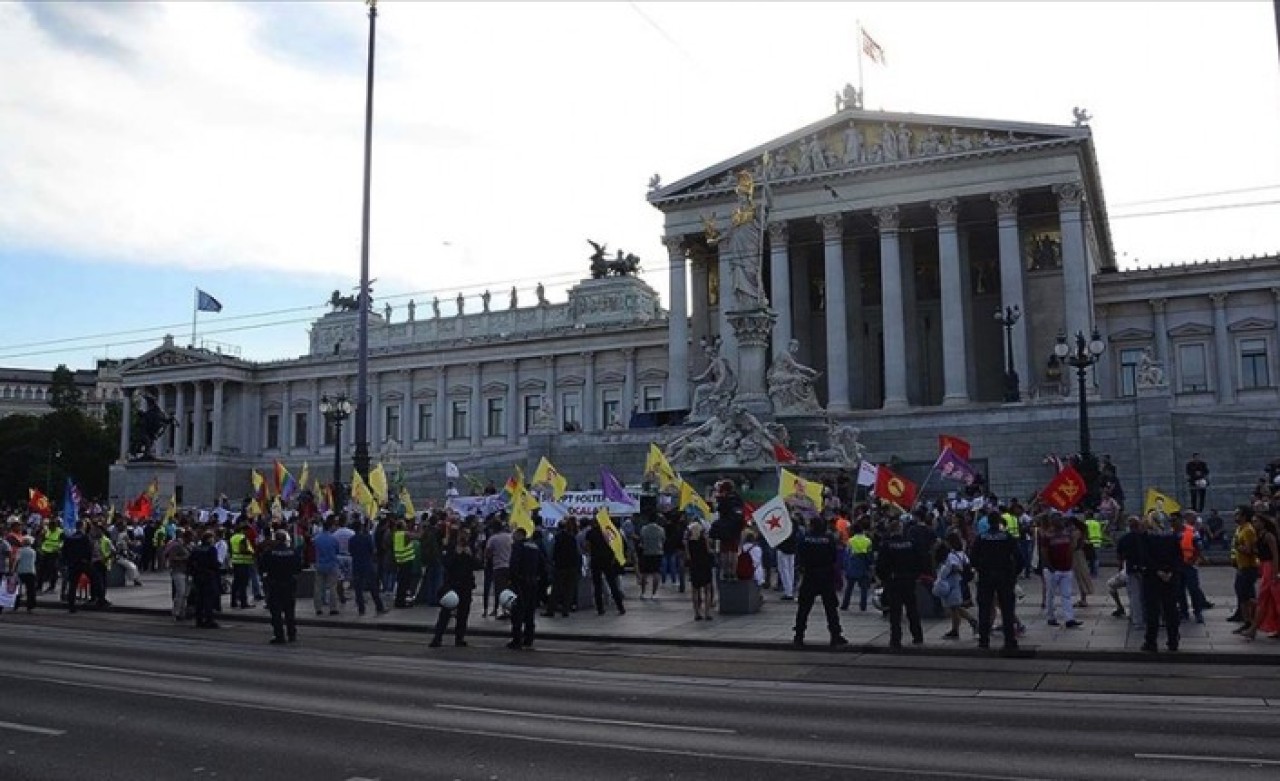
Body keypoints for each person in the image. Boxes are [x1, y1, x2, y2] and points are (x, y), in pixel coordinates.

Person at [792, 516, 847, 647]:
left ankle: (799, 635)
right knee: (830, 608)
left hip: (810, 575)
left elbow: (799, 555)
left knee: (804, 608)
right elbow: (834, 557)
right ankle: (835, 635)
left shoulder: (805, 539)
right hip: (825, 575)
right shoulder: (828, 539)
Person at [970, 514, 1020, 651]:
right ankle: (1010, 640)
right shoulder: (1007, 537)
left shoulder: (981, 538)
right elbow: (1019, 557)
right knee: (1007, 609)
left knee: (985, 609)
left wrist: (980, 568)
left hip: (986, 576)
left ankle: (984, 640)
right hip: (1004, 576)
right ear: (998, 522)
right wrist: (1014, 573)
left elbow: (973, 558)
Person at [875, 519, 925, 649]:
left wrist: (885, 579)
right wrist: (915, 575)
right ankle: (918, 636)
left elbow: (880, 566)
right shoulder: (911, 543)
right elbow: (920, 560)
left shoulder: (887, 545)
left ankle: (895, 639)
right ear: (901, 530)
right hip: (909, 580)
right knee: (912, 609)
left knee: (895, 612)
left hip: (894, 581)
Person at [431, 527, 482, 647]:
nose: (464, 538)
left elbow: (479, 565)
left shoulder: (472, 548)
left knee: (463, 613)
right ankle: (437, 638)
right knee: (446, 612)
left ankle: (459, 638)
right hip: (452, 585)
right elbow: (445, 564)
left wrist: (471, 556)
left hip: (466, 585)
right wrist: (455, 554)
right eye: (462, 535)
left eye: (467, 535)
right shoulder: (451, 547)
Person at [1140, 517, 1183, 652]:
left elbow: (1144, 557)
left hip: (1152, 577)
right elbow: (1178, 557)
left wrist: (1157, 570)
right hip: (1170, 578)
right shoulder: (1173, 537)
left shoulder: (1146, 538)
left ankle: (1151, 641)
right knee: (1171, 609)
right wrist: (1169, 571)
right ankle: (1173, 640)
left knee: (1152, 610)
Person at [507, 528, 548, 649]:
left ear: (519, 535)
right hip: (533, 582)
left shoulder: (518, 546)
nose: (513, 537)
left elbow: (513, 564)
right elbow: (543, 564)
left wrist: (512, 579)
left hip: (520, 583)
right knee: (530, 612)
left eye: (514, 535)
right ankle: (529, 638)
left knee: (517, 611)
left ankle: (517, 639)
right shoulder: (534, 546)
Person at [1242, 512, 1280, 640]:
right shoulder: (1260, 535)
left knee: (1264, 599)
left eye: (1256, 521)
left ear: (1263, 523)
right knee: (1269, 601)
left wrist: (1275, 573)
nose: (1254, 523)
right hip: (1265, 567)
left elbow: (1275, 555)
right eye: (1253, 521)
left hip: (1270, 567)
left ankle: (1253, 629)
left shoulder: (1269, 536)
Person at [260, 531, 302, 644]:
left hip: (275, 584)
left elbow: (262, 567)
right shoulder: (293, 552)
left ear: (276, 540)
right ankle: (292, 634)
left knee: (276, 612)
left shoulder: (269, 553)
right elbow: (299, 568)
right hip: (289, 584)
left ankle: (279, 635)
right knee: (290, 611)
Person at [1041, 516, 1081, 628]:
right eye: (1058, 520)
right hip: (1053, 569)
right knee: (1051, 594)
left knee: (1066, 595)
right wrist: (1049, 566)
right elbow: (1044, 551)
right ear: (1053, 522)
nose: (1061, 522)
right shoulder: (1047, 535)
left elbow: (1073, 548)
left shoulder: (1067, 534)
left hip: (1066, 568)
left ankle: (1069, 618)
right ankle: (1050, 617)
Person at [939, 533, 978, 639]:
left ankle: (972, 621)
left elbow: (956, 568)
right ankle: (955, 629)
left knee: (955, 606)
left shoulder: (952, 555)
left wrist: (949, 571)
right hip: (962, 583)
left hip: (954, 583)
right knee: (954, 607)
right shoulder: (962, 554)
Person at [585, 518, 626, 616]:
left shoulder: (590, 533)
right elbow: (614, 545)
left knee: (597, 585)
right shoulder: (608, 531)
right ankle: (620, 607)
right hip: (607, 560)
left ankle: (600, 609)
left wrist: (592, 553)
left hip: (595, 560)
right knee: (612, 584)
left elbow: (587, 547)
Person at [1112, 516, 1146, 630]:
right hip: (1144, 568)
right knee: (1144, 595)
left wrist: (1120, 569)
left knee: (1134, 595)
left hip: (1131, 569)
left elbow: (1119, 557)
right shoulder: (1144, 537)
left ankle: (1137, 620)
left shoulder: (1124, 539)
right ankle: (1145, 617)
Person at [1229, 506, 1259, 636]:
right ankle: (1247, 621)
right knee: (1242, 595)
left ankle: (1257, 617)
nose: (1235, 517)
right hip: (1241, 567)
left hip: (1248, 567)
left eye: (1238, 514)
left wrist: (1238, 547)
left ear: (1244, 516)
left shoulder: (1248, 530)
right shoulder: (1240, 528)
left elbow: (1249, 550)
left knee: (1246, 597)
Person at [547, 516, 581, 618]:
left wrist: (553, 562)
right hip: (572, 566)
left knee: (556, 589)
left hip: (560, 566)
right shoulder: (573, 538)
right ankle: (565, 610)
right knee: (569, 589)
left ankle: (551, 610)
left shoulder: (559, 537)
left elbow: (554, 552)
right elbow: (577, 553)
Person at [187, 532, 221, 629]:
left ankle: (199, 620)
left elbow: (190, 562)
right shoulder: (211, 549)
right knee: (208, 599)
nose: (213, 540)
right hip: (209, 576)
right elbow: (214, 563)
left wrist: (194, 572)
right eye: (212, 538)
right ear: (208, 539)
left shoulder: (196, 548)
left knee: (199, 599)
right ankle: (209, 620)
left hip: (198, 576)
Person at [685, 519, 714, 620]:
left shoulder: (688, 542)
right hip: (705, 565)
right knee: (707, 590)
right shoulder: (704, 539)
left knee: (695, 591)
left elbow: (688, 556)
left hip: (694, 566)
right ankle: (707, 613)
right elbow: (709, 550)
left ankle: (697, 613)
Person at [483, 521, 513, 618]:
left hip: (498, 567)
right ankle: (508, 609)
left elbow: (488, 553)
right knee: (507, 589)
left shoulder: (493, 539)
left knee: (498, 590)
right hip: (509, 567)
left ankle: (496, 610)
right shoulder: (510, 537)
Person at [313, 519, 341, 616]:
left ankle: (318, 608)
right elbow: (337, 551)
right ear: (330, 527)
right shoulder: (333, 539)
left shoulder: (316, 539)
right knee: (333, 587)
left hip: (320, 565)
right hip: (332, 565)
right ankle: (333, 608)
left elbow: (314, 552)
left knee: (318, 588)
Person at [62, 522, 92, 613]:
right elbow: (88, 550)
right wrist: (87, 560)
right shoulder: (85, 537)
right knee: (96, 579)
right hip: (83, 563)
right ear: (82, 527)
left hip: (72, 564)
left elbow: (64, 551)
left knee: (73, 585)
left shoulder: (69, 538)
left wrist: (67, 562)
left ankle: (71, 606)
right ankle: (99, 599)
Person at [163, 530, 192, 622]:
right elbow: (172, 558)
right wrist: (184, 558)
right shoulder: (177, 546)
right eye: (191, 537)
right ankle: (176, 612)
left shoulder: (188, 546)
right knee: (180, 592)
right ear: (186, 537)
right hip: (178, 571)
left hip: (187, 572)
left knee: (185, 594)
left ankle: (182, 612)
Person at [229, 523, 256, 610]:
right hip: (243, 563)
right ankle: (244, 603)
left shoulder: (232, 538)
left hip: (235, 562)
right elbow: (243, 549)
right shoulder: (242, 538)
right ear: (243, 530)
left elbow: (231, 550)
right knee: (243, 584)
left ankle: (233, 602)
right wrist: (252, 552)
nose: (248, 532)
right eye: (247, 530)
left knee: (236, 583)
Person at [638, 518, 666, 598]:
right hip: (657, 553)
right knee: (656, 573)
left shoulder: (643, 529)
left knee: (644, 573)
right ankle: (654, 593)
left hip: (646, 553)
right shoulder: (661, 529)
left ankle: (643, 593)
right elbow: (663, 540)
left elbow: (641, 540)